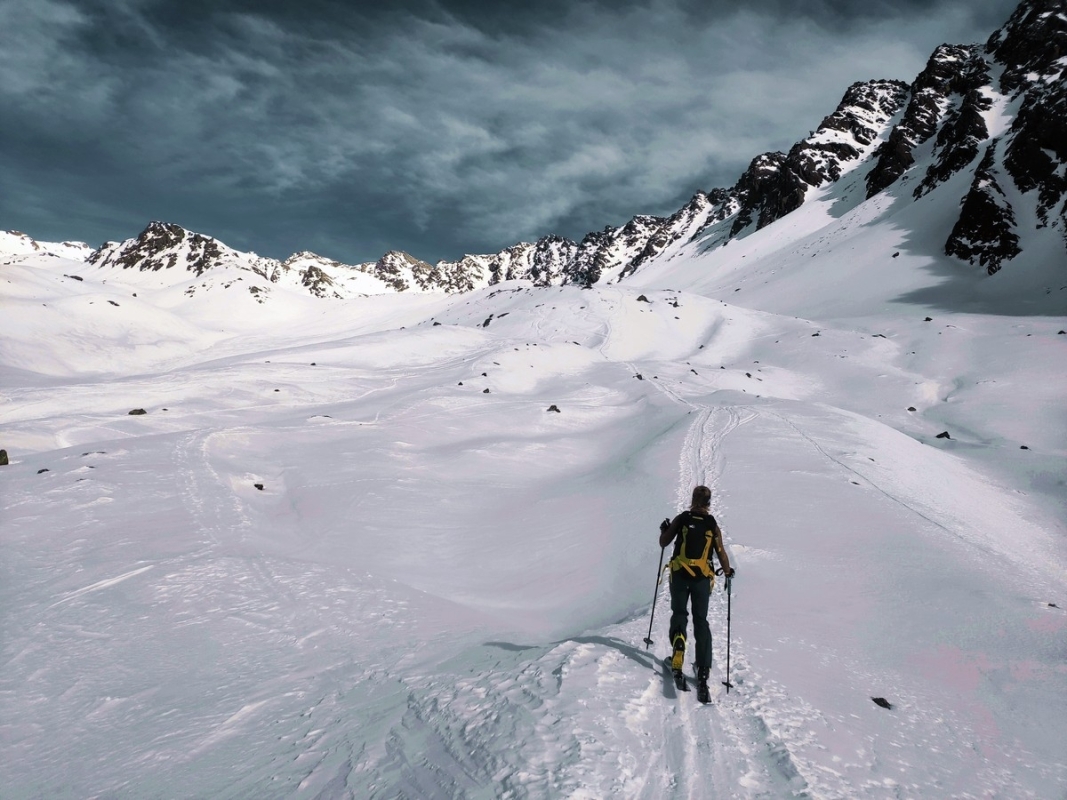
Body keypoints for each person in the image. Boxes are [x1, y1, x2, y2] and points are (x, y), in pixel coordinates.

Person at [658, 485, 734, 700]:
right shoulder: (711, 524)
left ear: (692, 499)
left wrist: (664, 530)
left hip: (680, 575)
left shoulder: (682, 518)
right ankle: (702, 671)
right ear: (709, 502)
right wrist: (727, 572)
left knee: (680, 614)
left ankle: (678, 650)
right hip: (702, 578)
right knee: (701, 620)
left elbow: (664, 542)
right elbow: (721, 552)